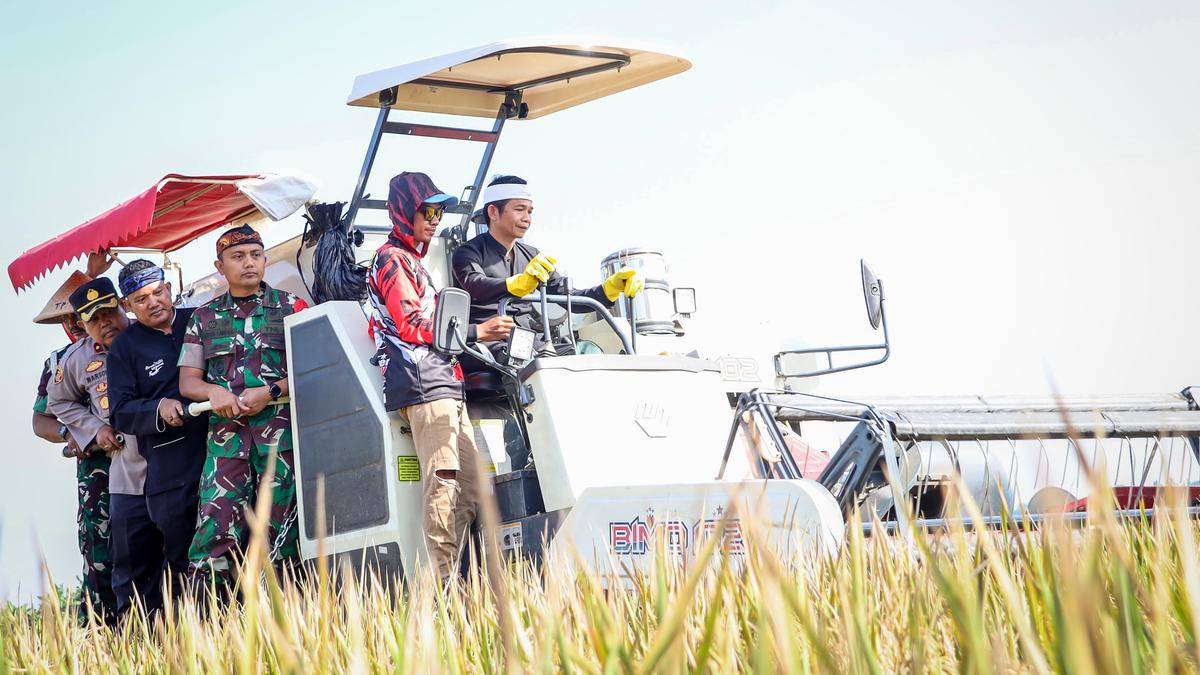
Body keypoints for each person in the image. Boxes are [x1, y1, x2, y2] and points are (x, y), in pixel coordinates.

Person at [367, 171, 514, 579]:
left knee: (472, 488)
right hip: (422, 383)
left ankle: (456, 581)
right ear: (403, 212)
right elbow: (411, 323)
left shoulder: (413, 262)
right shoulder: (391, 259)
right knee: (446, 481)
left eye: (439, 212)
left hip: (444, 383)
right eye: (426, 211)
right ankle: (441, 588)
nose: (435, 220)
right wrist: (476, 332)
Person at [177, 225, 307, 588]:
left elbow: (312, 367)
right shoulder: (203, 318)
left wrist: (271, 390)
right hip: (226, 446)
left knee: (282, 534)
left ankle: (283, 612)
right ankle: (209, 616)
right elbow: (188, 382)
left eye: (255, 255)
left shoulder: (292, 307)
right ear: (220, 267)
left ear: (265, 260)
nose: (248, 263)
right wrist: (213, 392)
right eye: (237, 257)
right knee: (214, 532)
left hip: (281, 444)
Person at [450, 174, 645, 358]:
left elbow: (568, 296)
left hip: (530, 343)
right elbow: (477, 284)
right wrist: (515, 284)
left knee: (588, 353)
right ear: (493, 212)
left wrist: (609, 289)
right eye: (519, 209)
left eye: (530, 211)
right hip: (488, 345)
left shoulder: (532, 255)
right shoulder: (467, 253)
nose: (527, 218)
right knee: (524, 360)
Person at [48, 277, 151, 621]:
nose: (104, 323)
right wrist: (93, 429)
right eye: (93, 319)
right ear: (82, 324)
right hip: (118, 467)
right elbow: (55, 404)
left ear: (122, 305)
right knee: (117, 554)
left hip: (169, 457)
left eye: (109, 312)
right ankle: (123, 630)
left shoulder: (152, 332)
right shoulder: (74, 359)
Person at [108, 259, 209, 607]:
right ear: (127, 306)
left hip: (225, 454)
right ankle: (194, 629)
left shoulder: (201, 319)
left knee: (236, 548)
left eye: (158, 292)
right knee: (184, 560)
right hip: (171, 471)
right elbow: (120, 412)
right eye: (141, 299)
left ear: (168, 288)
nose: (153, 302)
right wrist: (158, 408)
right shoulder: (125, 348)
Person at [30, 269, 118, 623]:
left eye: (76, 316)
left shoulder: (127, 340)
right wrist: (71, 434)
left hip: (147, 457)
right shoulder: (59, 363)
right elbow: (41, 421)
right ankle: (101, 631)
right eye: (67, 319)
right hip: (97, 469)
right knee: (99, 550)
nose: (74, 324)